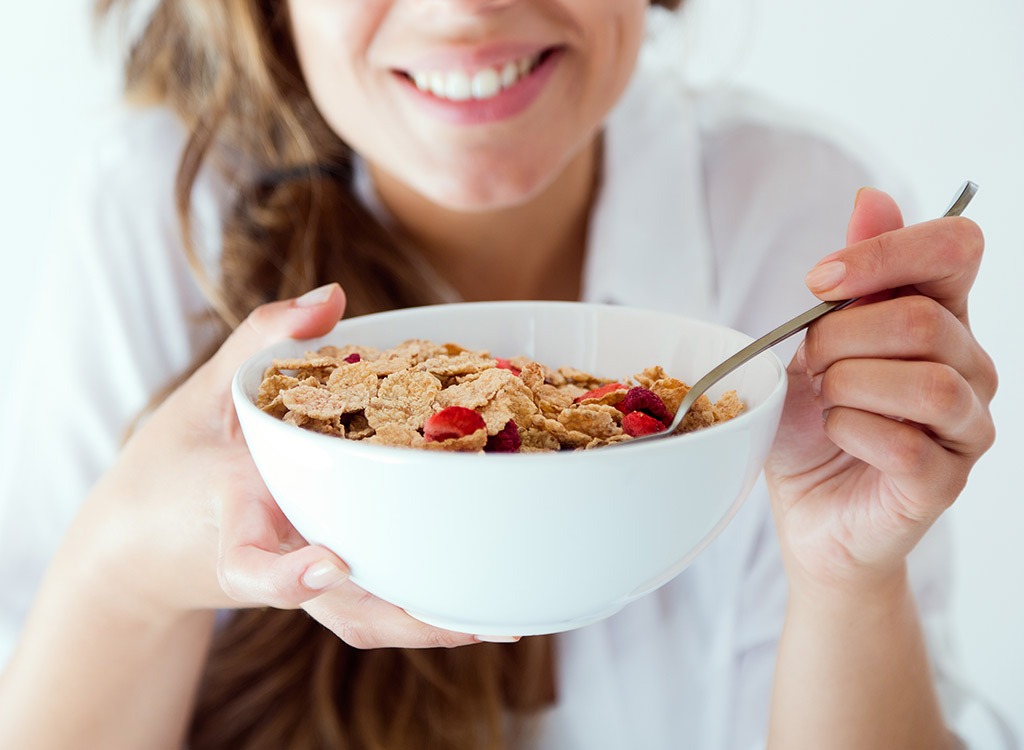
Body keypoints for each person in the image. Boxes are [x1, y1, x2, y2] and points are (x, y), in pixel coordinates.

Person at [0, 0, 1011, 748]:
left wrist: (846, 580)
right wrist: (129, 572)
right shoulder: (158, 221)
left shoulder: (788, 228)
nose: (467, 13)